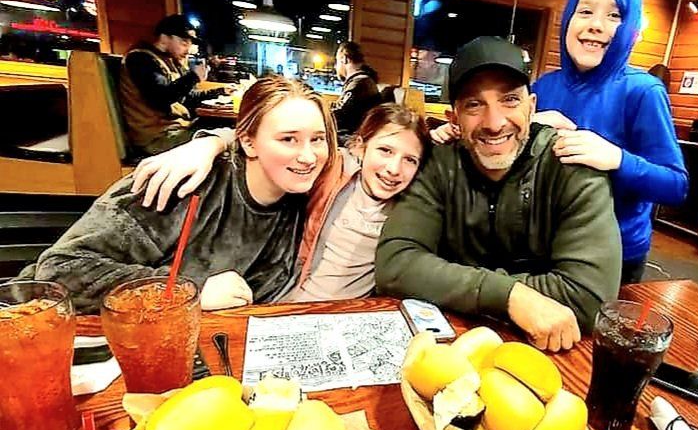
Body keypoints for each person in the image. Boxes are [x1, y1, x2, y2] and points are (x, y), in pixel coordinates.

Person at [376, 36, 622, 352]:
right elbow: (395, 264)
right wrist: (509, 296)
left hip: (550, 349)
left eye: (509, 100)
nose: (494, 123)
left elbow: (588, 298)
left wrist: (454, 285)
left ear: (532, 107)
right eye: (474, 104)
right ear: (455, 118)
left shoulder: (572, 166)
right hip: (452, 346)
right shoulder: (439, 165)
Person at [19, 76, 336, 313]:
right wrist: (190, 291)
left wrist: (216, 138)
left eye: (317, 139)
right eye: (288, 139)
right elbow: (60, 270)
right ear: (249, 142)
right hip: (54, 332)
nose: (308, 156)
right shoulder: (184, 181)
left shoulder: (300, 195)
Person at [127, 103, 431, 301]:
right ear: (361, 148)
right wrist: (209, 143)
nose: (394, 168)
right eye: (386, 151)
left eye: (410, 160)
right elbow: (272, 139)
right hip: (285, 301)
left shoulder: (413, 205)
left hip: (346, 318)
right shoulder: (332, 169)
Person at [531, 0, 688, 284]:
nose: (596, 25)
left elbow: (676, 185)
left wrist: (616, 158)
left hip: (613, 254)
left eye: (614, 16)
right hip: (543, 244)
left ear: (630, 27)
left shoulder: (644, 90)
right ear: (568, 21)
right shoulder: (544, 87)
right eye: (585, 11)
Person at [119, 14, 230, 155]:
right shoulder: (140, 59)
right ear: (165, 38)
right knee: (225, 139)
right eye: (184, 43)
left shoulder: (168, 60)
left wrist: (220, 91)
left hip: (176, 129)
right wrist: (194, 77)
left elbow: (186, 98)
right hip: (156, 138)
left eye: (190, 44)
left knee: (226, 128)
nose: (188, 49)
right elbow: (160, 99)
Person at [333, 41, 382, 145]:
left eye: (336, 62)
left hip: (355, 138)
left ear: (344, 59)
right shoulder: (363, 81)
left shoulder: (360, 83)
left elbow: (339, 115)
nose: (335, 67)